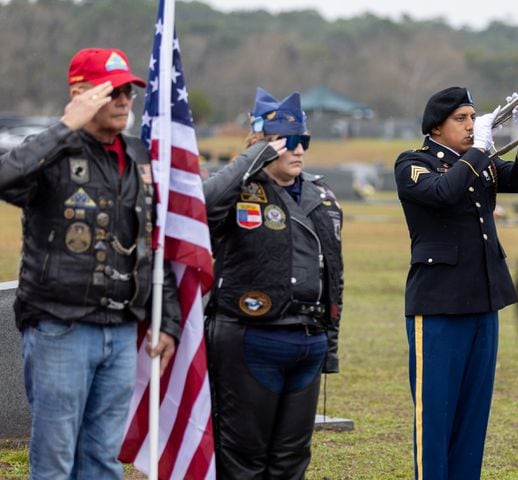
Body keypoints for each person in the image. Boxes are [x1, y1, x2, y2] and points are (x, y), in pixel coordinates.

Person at [0, 48, 181, 479]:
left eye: (128, 93)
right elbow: (5, 179)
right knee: (56, 459)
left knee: (103, 459)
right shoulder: (52, 151)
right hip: (61, 327)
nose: (123, 101)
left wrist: (168, 319)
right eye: (111, 91)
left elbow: (150, 244)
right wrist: (65, 126)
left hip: (120, 330)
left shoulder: (139, 156)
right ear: (81, 93)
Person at [394, 86, 518, 479]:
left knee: (473, 418)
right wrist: (478, 149)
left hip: (483, 301)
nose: (471, 125)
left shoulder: (478, 162)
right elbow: (443, 193)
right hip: (439, 305)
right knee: (436, 418)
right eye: (461, 119)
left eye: (473, 118)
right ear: (436, 127)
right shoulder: (414, 162)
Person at [203, 87, 343, 479]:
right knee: (243, 456)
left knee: (291, 458)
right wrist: (254, 155)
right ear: (264, 144)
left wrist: (328, 344)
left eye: (304, 141)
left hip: (307, 342)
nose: (298, 151)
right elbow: (201, 206)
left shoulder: (323, 194)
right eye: (288, 142)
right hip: (250, 337)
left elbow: (335, 272)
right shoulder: (238, 187)